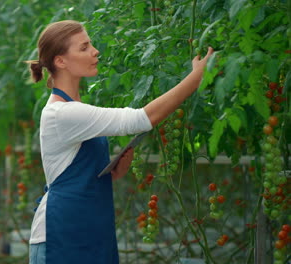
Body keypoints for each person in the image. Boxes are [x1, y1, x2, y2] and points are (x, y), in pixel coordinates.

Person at [25, 20, 213, 264]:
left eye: (90, 44)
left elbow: (75, 172)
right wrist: (196, 77)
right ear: (61, 61)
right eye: (83, 48)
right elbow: (141, 118)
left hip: (90, 227)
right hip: (62, 234)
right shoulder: (62, 114)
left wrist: (112, 173)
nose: (95, 51)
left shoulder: (74, 110)